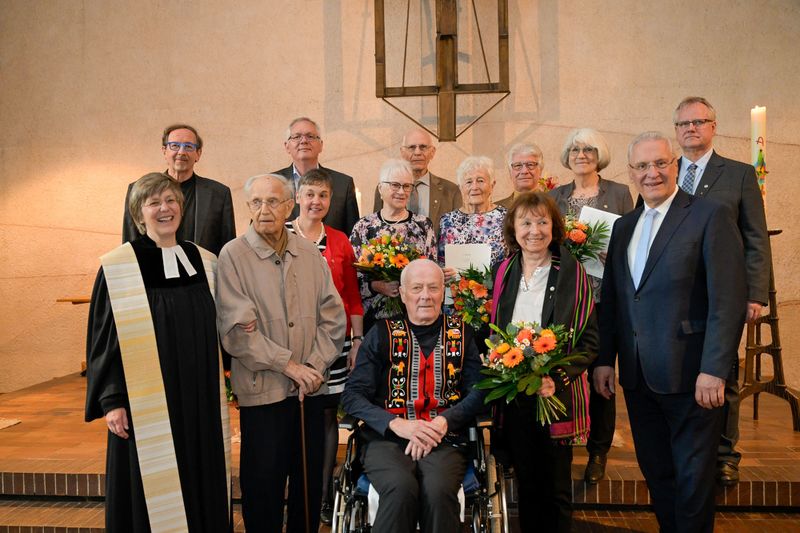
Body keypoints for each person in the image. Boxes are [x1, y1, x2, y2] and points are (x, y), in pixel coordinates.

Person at [594, 132, 746, 533]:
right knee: (657, 472)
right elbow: (614, 299)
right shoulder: (623, 226)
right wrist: (604, 361)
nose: (652, 173)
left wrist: (715, 368)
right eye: (642, 166)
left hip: (694, 375)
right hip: (639, 375)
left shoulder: (709, 215)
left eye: (660, 163)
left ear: (675, 165)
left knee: (694, 480)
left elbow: (727, 300)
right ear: (630, 172)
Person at [86, 172, 230, 532]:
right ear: (139, 214)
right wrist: (112, 399)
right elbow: (104, 340)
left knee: (197, 474)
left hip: (199, 401)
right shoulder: (119, 266)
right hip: (145, 401)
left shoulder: (204, 261)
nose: (164, 209)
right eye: (154, 203)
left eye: (171, 201)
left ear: (181, 208)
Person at [216, 173, 346, 532]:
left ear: (290, 206)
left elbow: (333, 318)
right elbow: (236, 331)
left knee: (307, 486)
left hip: (309, 391)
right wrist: (289, 366)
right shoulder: (233, 256)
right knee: (262, 487)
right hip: (263, 390)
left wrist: (313, 367)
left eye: (273, 201)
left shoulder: (307, 251)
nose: (264, 210)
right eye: (256, 202)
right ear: (247, 208)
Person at [341, 258, 486, 533]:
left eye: (433, 288)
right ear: (403, 293)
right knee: (400, 487)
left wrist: (444, 422)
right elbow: (353, 395)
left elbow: (478, 391)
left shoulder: (462, 333)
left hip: (444, 437)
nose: (425, 296)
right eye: (417, 288)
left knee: (438, 488)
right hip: (388, 439)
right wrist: (397, 424)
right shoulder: (381, 333)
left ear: (443, 292)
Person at [672, 96, 771, 486]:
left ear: (714, 126)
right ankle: (685, 449)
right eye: (683, 124)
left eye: (699, 122)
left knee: (723, 374)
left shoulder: (740, 174)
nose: (691, 129)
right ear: (676, 130)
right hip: (676, 294)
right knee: (680, 376)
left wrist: (756, 294)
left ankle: (726, 455)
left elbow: (756, 238)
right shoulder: (664, 171)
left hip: (722, 294)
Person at [490, 192, 598, 533]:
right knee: (526, 483)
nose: (533, 230)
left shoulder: (571, 272)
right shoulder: (503, 270)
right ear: (513, 228)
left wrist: (557, 376)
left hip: (554, 393)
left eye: (542, 221)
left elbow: (589, 340)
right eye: (525, 222)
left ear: (554, 227)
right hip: (514, 392)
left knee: (555, 489)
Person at [549, 127, 634, 484]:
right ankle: (562, 443)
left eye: (589, 149)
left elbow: (632, 240)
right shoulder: (554, 195)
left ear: (600, 154)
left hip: (603, 299)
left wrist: (610, 253)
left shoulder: (619, 193)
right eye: (575, 149)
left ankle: (598, 451)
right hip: (567, 298)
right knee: (563, 373)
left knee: (602, 374)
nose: (581, 154)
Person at [286, 168, 365, 524]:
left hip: (332, 342)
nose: (316, 201)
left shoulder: (339, 240)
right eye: (310, 194)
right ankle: (294, 492)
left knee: (326, 416)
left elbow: (352, 295)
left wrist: (357, 341)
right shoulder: (281, 234)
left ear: (330, 201)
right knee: (291, 415)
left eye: (323, 196)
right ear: (298, 197)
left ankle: (321, 494)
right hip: (289, 343)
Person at [122, 124, 236, 256]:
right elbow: (129, 241)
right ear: (165, 151)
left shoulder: (219, 194)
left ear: (198, 154)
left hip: (202, 273)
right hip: (151, 270)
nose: (181, 152)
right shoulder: (138, 189)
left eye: (188, 146)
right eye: (175, 146)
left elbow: (228, 249)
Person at [351, 159, 437, 333]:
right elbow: (353, 277)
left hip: (415, 318)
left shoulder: (423, 226)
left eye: (407, 186)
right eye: (395, 185)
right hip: (374, 321)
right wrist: (377, 286)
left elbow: (431, 270)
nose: (401, 191)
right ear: (381, 188)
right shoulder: (364, 227)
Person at [273, 116, 360, 235]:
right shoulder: (273, 183)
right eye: (297, 137)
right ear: (287, 146)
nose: (303, 141)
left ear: (321, 145)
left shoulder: (343, 184)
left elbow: (353, 236)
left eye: (310, 136)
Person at [372, 128, 461, 236]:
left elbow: (457, 232)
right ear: (402, 152)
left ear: (432, 152)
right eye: (412, 147)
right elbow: (376, 227)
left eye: (423, 147)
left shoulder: (451, 190)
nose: (417, 152)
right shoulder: (386, 188)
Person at [438, 155, 507, 278]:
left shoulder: (506, 218)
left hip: (497, 292)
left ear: (492, 185)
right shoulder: (447, 220)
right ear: (460, 187)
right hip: (455, 293)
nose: (474, 187)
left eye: (480, 181)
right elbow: (441, 261)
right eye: (469, 182)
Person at [496, 142, 551, 209]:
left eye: (530, 164)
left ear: (540, 170)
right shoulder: (497, 210)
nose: (524, 171)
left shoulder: (554, 204)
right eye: (518, 165)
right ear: (510, 172)